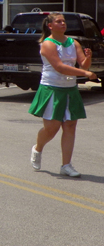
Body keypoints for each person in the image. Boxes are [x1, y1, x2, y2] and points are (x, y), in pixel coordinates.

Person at [28, 13, 95, 177]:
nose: (63, 23)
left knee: (70, 126)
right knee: (51, 129)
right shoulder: (48, 44)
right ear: (50, 25)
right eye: (58, 21)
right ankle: (37, 148)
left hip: (70, 88)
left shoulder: (73, 42)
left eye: (64, 21)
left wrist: (88, 59)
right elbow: (59, 67)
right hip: (52, 88)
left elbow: (82, 63)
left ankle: (66, 165)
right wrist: (85, 73)